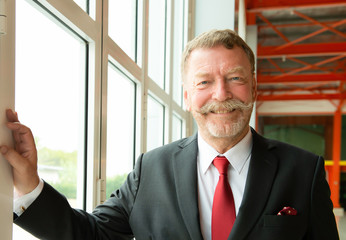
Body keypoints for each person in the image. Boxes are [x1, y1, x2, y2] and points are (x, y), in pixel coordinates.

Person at [0, 29, 339, 240]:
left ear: (254, 88)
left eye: (235, 78)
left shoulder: (303, 171)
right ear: (187, 96)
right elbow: (89, 233)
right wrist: (29, 185)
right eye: (204, 82)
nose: (221, 94)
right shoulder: (151, 169)